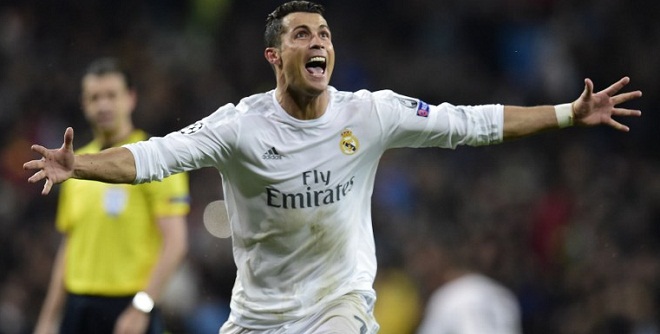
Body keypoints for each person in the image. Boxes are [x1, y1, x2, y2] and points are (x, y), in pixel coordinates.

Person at [24, 1, 642, 333]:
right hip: (259, 316)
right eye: (301, 35)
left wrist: (566, 111)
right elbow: (154, 157)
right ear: (275, 55)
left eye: (323, 32)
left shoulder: (369, 113)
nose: (318, 41)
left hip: (336, 308)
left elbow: (469, 122)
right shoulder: (239, 127)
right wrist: (79, 166)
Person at [32, 58, 190, 334]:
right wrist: (49, 318)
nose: (103, 105)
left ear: (131, 98)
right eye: (94, 97)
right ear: (84, 103)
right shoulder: (73, 165)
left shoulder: (156, 159)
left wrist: (142, 306)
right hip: (78, 307)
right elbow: (70, 244)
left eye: (111, 96)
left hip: (128, 307)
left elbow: (175, 243)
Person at [412, 223, 522, 334]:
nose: (418, 267)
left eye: (422, 258)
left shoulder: (459, 297)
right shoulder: (497, 292)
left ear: (438, 255)